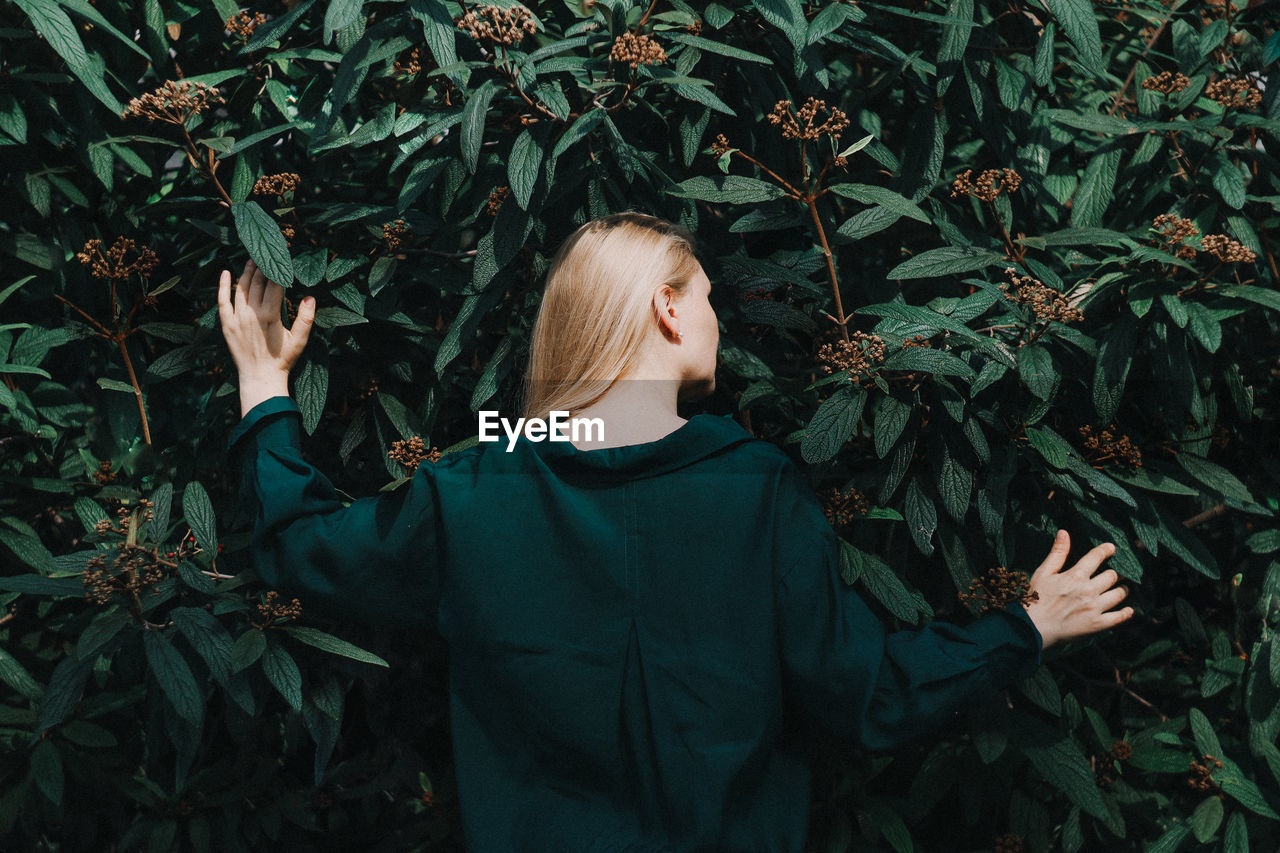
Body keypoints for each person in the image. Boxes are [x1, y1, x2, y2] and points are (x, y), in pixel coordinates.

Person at [218, 212, 1134, 852]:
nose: (715, 319)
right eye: (703, 298)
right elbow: (868, 695)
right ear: (663, 307)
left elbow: (303, 550)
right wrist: (1027, 626)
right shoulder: (756, 490)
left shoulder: (471, 490)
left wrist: (265, 391)